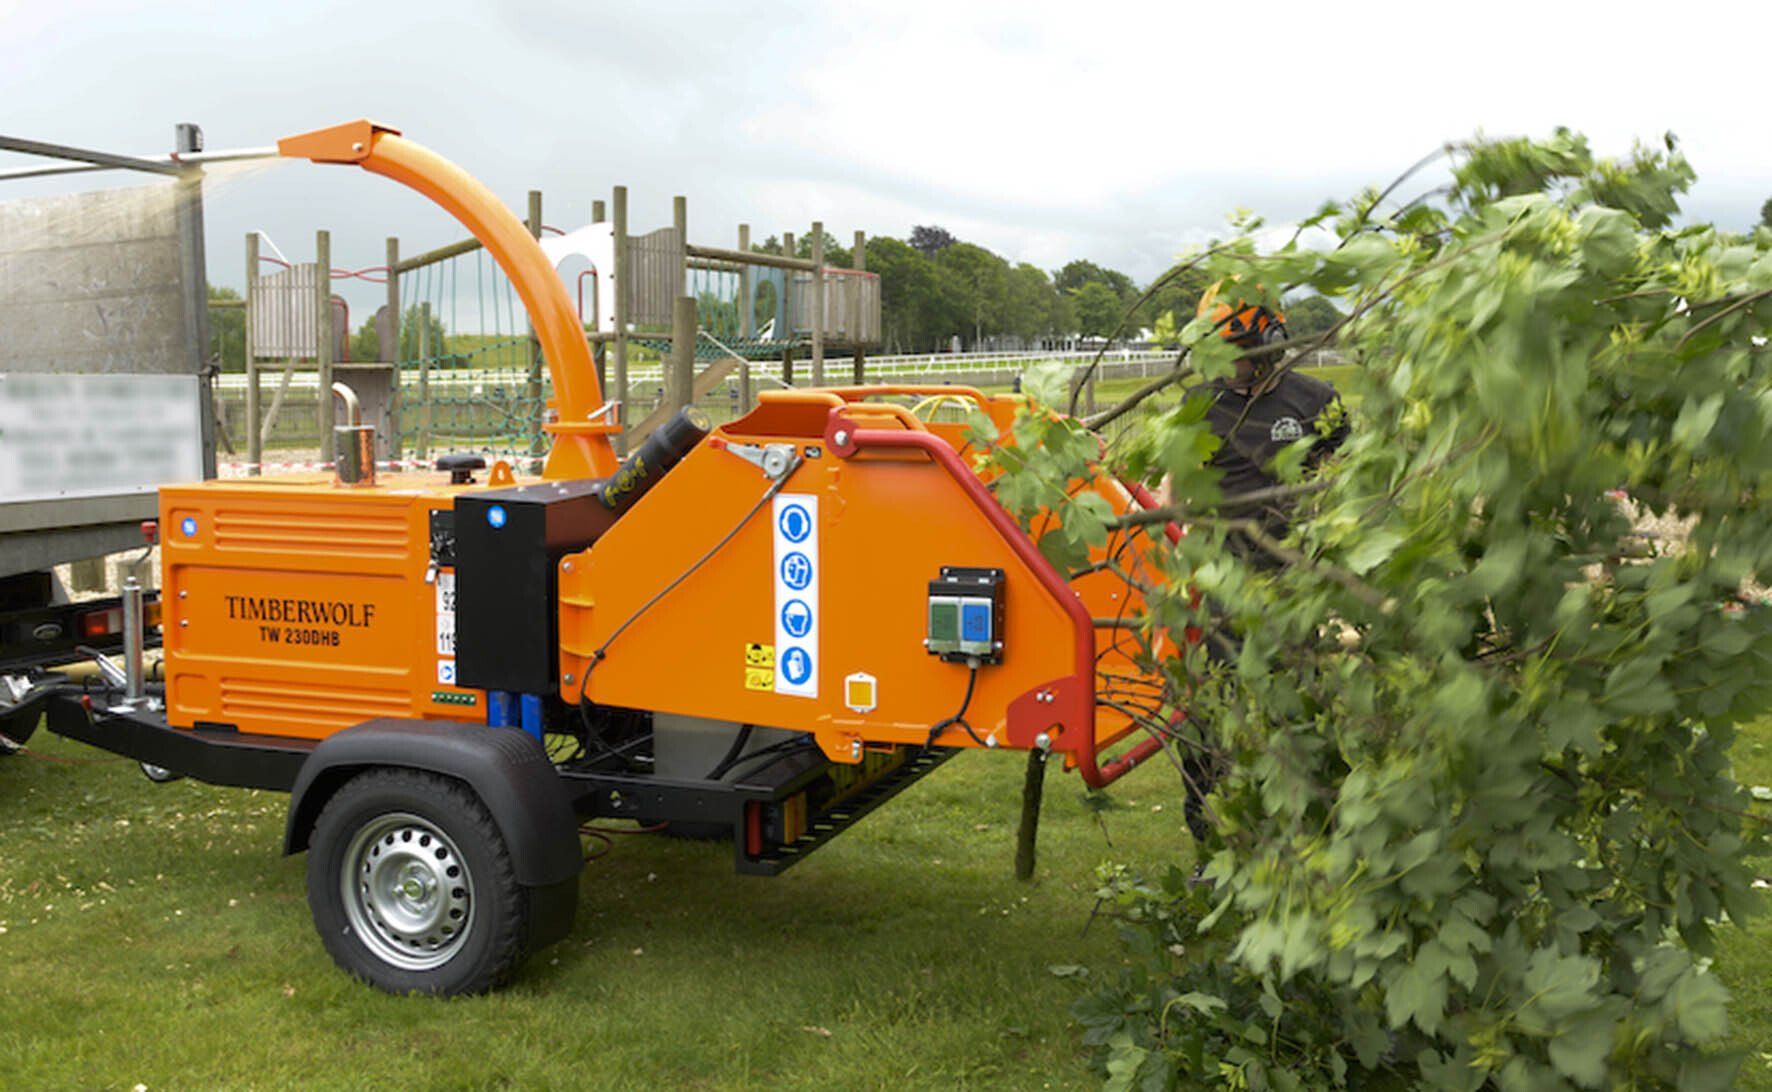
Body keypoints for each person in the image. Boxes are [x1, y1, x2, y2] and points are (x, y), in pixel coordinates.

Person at [1174, 284, 1350, 848]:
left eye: (1238, 354)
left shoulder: (1316, 401)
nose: (1229, 368)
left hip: (1299, 581)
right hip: (1229, 584)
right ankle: (1212, 840)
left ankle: (1313, 832)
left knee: (1300, 712)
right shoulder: (1199, 404)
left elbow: (1355, 475)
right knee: (1209, 718)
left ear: (1273, 341)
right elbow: (1175, 486)